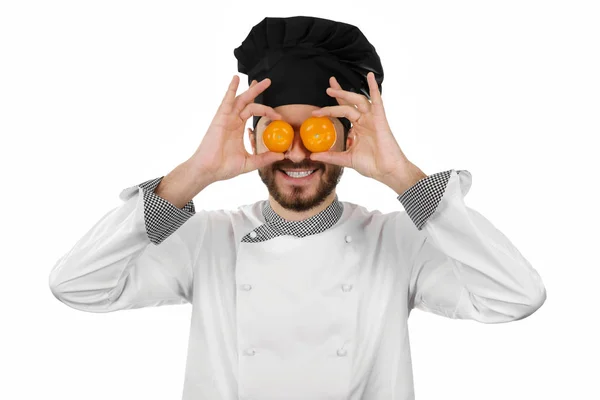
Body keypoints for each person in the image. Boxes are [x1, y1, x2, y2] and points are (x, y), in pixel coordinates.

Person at [48, 16, 547, 400]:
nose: (297, 153)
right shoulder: (207, 241)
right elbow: (77, 285)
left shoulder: (396, 244)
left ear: (350, 138)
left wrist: (403, 177)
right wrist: (194, 174)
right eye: (280, 132)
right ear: (253, 136)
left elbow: (515, 297)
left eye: (319, 131)